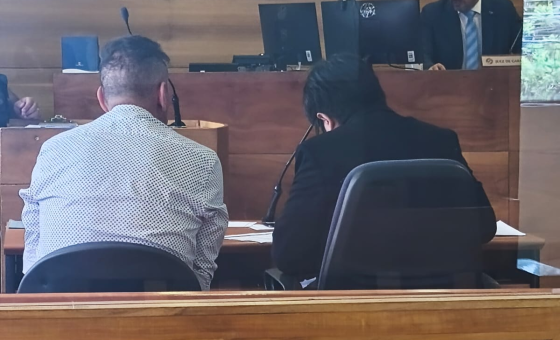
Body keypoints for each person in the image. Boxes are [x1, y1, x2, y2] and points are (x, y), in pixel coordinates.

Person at [19, 35, 228, 290]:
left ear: (101, 98)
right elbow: (201, 275)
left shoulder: (53, 150)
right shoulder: (202, 160)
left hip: (63, 312)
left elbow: (33, 265)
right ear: (163, 94)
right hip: (165, 312)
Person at [272, 54, 496, 283]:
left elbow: (289, 255)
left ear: (324, 119)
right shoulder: (441, 140)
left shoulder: (319, 152)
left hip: (354, 300)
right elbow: (485, 226)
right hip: (442, 296)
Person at [422, 0, 522, 70]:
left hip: (494, 85)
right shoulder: (432, 13)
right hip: (450, 87)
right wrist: (430, 67)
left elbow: (521, 46)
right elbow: (424, 52)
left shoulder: (503, 9)